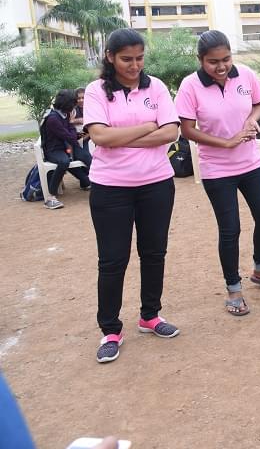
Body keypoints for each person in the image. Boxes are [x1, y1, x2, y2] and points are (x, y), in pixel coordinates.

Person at [83, 28, 181, 363]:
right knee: (113, 260)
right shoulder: (97, 91)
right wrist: (147, 127)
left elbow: (171, 132)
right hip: (110, 187)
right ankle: (110, 329)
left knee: (154, 253)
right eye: (126, 59)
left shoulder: (156, 87)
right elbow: (99, 136)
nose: (134, 65)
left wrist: (120, 137)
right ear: (110, 57)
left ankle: (150, 316)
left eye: (139, 58)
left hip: (156, 184)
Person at [176, 30, 260, 317]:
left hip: (250, 163)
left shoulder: (246, 75)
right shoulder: (190, 86)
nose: (221, 66)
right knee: (230, 229)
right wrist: (225, 143)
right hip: (217, 169)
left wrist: (251, 120)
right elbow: (187, 129)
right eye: (213, 62)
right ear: (201, 60)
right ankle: (233, 289)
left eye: (226, 59)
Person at [40, 89, 92, 209]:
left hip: (67, 146)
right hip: (54, 150)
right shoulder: (53, 119)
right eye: (73, 103)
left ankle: (93, 183)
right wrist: (73, 131)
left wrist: (72, 131)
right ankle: (50, 198)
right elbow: (68, 135)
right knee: (64, 161)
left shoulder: (65, 114)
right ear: (67, 104)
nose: (75, 105)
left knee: (85, 156)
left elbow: (70, 131)